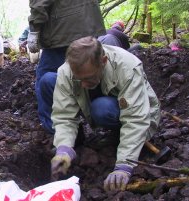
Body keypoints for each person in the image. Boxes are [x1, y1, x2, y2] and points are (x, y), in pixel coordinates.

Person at [50, 36, 161, 191]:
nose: (82, 84)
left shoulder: (126, 66)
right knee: (48, 81)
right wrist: (64, 149)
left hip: (141, 114)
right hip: (106, 106)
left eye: (88, 78)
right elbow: (64, 115)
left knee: (101, 108)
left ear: (103, 61)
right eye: (78, 79)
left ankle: (124, 140)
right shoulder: (67, 71)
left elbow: (136, 118)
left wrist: (124, 166)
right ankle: (116, 135)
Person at [28, 0, 106, 134]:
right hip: (89, 24)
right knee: (88, 73)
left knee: (45, 81)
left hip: (62, 31)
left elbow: (39, 3)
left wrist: (34, 29)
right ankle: (97, 120)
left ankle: (59, 133)